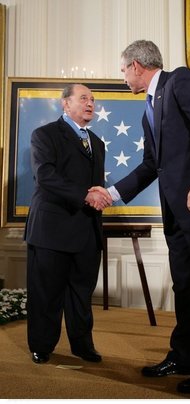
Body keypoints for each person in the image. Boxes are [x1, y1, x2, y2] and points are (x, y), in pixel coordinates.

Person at [90, 40, 190, 394]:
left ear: (136, 65)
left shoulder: (181, 81)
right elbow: (151, 165)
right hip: (177, 213)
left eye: (123, 70)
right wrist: (111, 194)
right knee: (187, 287)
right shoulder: (149, 107)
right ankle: (185, 356)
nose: (123, 77)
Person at [24, 83, 112, 365]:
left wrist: (101, 194)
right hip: (51, 231)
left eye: (93, 99)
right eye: (84, 98)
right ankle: (42, 345)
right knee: (46, 295)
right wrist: (86, 195)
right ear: (65, 103)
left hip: (86, 232)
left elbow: (96, 184)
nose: (90, 103)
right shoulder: (45, 135)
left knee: (81, 295)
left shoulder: (97, 143)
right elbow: (45, 176)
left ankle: (82, 345)